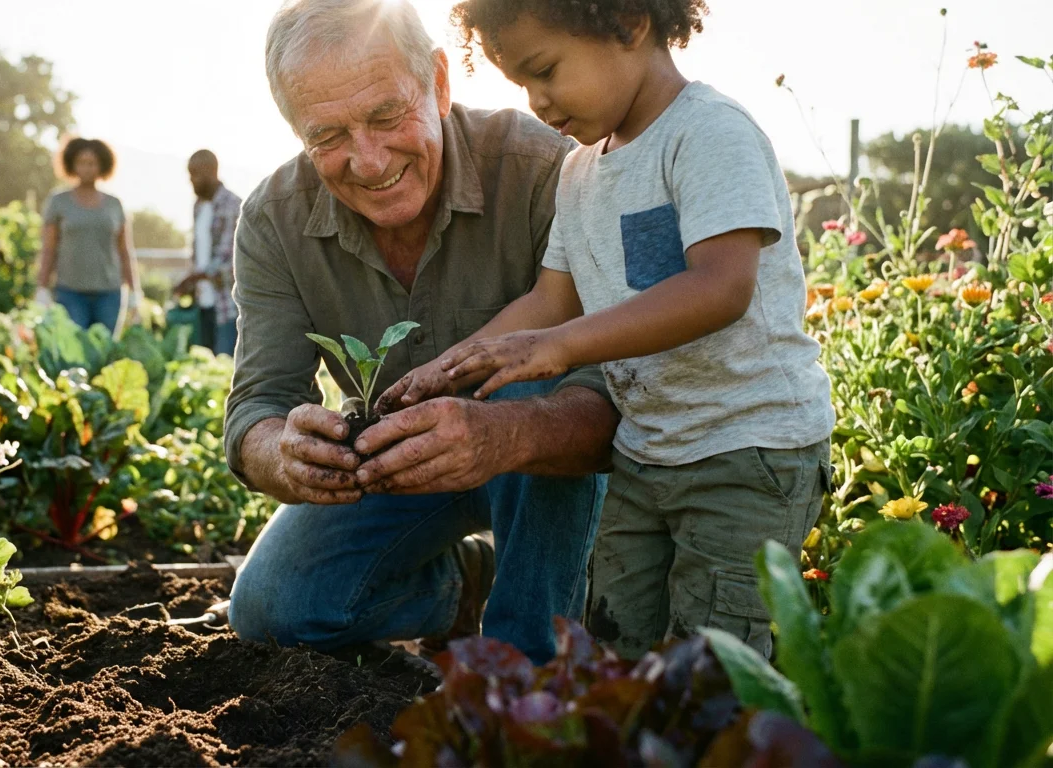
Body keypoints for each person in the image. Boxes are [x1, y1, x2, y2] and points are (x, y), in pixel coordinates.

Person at [385, 0, 836, 659]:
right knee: (616, 645)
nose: (538, 100)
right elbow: (551, 299)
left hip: (748, 450)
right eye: (521, 84)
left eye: (545, 70)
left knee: (716, 663)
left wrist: (557, 348)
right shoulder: (578, 171)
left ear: (628, 23)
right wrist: (451, 368)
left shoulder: (709, 133)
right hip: (646, 451)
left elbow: (721, 287)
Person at [223, 0, 617, 664]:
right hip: (392, 470)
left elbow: (613, 398)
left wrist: (503, 432)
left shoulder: (545, 171)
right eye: (328, 136)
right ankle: (464, 586)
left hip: (549, 468)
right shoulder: (274, 220)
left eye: (385, 116)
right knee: (274, 609)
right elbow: (257, 403)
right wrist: (279, 450)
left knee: (531, 379)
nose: (369, 161)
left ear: (439, 82)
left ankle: (526, 671)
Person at [37, 138, 137, 333]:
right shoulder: (58, 202)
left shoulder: (114, 204)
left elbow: (125, 251)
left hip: (109, 294)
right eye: (82, 163)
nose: (87, 169)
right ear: (72, 165)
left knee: (105, 353)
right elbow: (49, 249)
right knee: (74, 356)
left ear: (101, 166)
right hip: (70, 292)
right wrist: (42, 287)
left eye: (92, 163)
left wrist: (135, 292)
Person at [174, 150, 243, 357]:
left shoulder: (233, 205)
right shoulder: (199, 207)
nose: (191, 181)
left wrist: (194, 277)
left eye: (194, 174)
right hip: (203, 302)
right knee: (203, 364)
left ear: (210, 171)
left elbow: (231, 260)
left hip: (227, 305)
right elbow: (199, 254)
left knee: (225, 363)